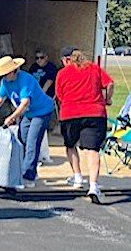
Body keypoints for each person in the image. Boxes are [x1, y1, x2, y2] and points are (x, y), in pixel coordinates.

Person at [0, 56, 55, 188]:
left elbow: (25, 102)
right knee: (22, 139)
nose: (4, 77)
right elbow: (0, 98)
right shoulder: (5, 82)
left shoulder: (25, 79)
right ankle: (28, 169)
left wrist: (12, 117)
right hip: (28, 113)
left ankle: (28, 176)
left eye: (5, 74)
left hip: (42, 111)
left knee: (32, 142)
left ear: (13, 71)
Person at [55, 46, 114, 204]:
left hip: (70, 113)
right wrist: (107, 99)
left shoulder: (62, 73)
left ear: (67, 60)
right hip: (95, 113)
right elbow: (110, 84)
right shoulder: (94, 68)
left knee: (70, 145)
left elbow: (59, 95)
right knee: (92, 150)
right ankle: (93, 185)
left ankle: (78, 177)